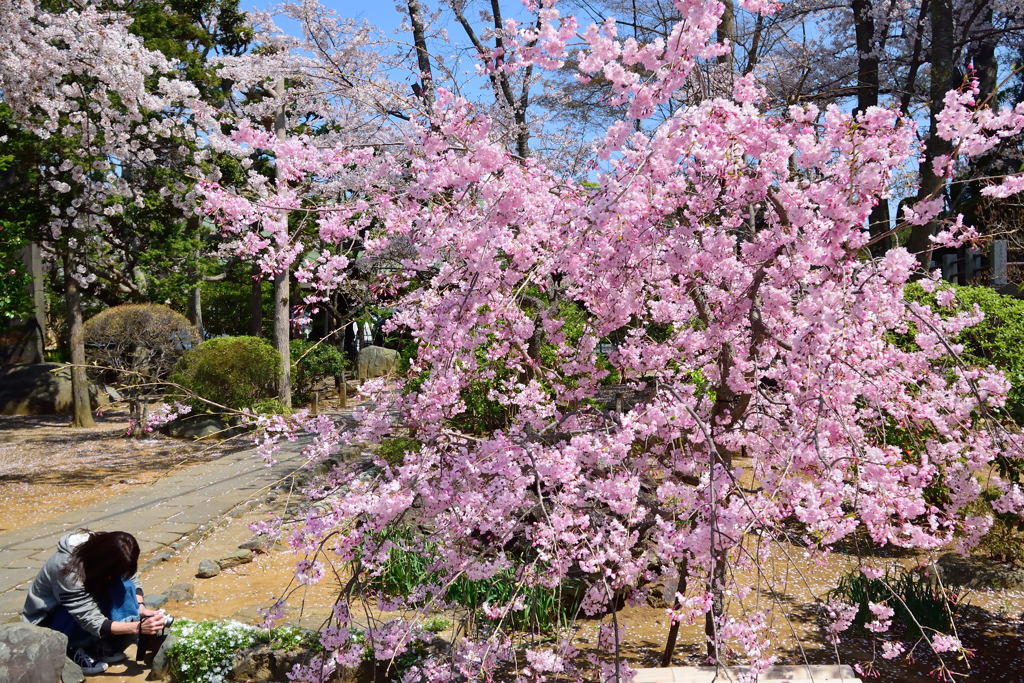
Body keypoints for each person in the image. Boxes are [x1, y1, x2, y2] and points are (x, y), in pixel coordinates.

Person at [21, 530, 168, 675]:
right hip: (50, 617)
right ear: (102, 565)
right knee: (108, 594)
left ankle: (97, 643)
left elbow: (131, 577)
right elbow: (89, 619)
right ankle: (72, 649)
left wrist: (140, 607)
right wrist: (137, 627)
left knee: (125, 584)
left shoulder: (107, 548)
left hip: (87, 597)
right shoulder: (67, 570)